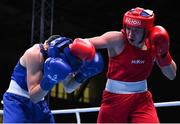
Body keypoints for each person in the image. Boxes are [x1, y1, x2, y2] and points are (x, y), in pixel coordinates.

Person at [74, 7, 177, 123]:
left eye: (137, 30)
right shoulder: (117, 39)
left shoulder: (154, 44)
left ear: (146, 30)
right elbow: (82, 43)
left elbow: (172, 75)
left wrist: (163, 53)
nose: (130, 34)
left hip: (142, 99)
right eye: (129, 28)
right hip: (114, 98)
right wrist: (64, 45)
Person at [2, 35, 104, 123]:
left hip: (40, 103)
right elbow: (33, 96)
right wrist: (50, 79)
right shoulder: (35, 54)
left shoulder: (64, 58)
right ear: (47, 45)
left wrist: (83, 75)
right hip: (17, 100)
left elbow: (68, 88)